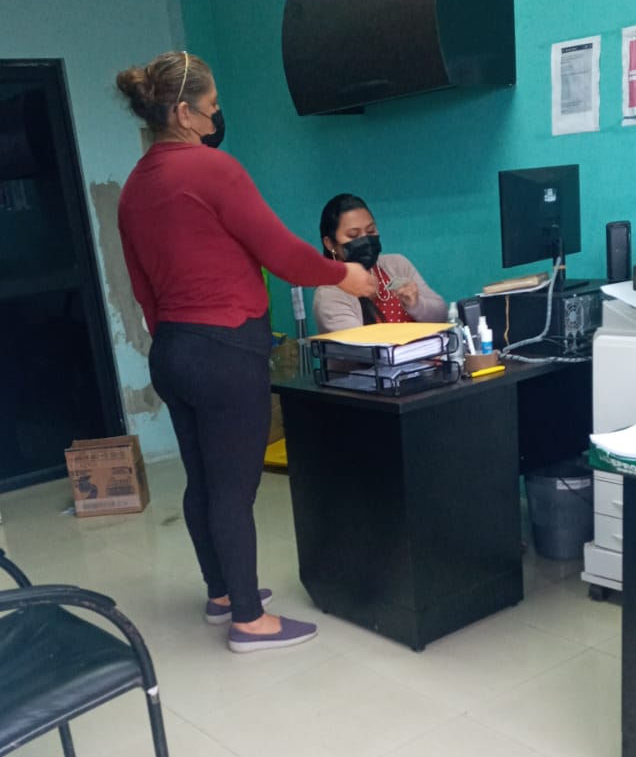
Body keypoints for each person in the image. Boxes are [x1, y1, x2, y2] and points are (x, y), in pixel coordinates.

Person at [115, 51, 376, 653]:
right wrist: (345, 276)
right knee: (234, 491)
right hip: (225, 351)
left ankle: (223, 594)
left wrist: (178, 343)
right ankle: (250, 621)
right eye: (211, 108)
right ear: (184, 113)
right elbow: (282, 253)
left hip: (173, 351)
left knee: (203, 482)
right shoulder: (213, 169)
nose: (216, 118)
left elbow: (142, 288)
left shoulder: (134, 188)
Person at [313, 193, 447, 332]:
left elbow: (441, 315)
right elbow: (357, 342)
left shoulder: (397, 264)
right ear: (330, 244)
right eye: (354, 235)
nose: (365, 240)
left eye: (371, 231)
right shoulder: (329, 293)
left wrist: (416, 305)